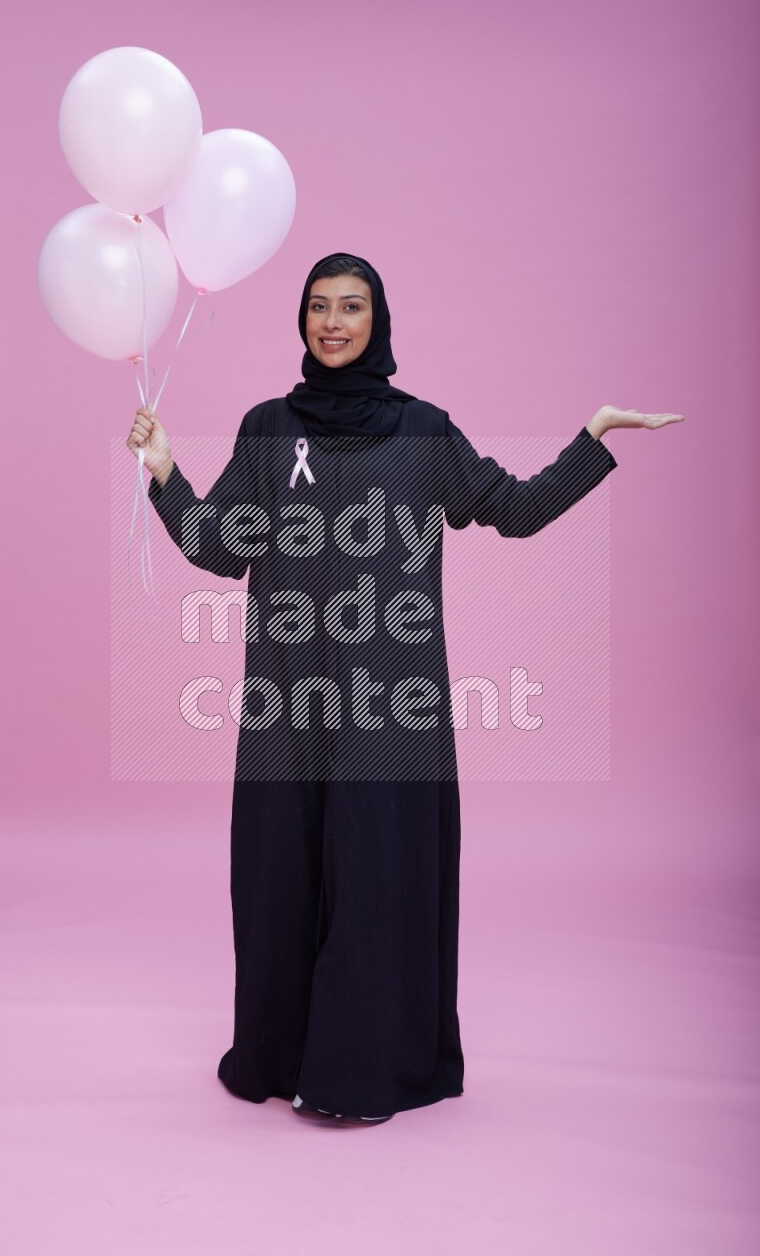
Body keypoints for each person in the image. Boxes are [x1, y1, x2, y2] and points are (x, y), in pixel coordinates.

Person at [127, 252, 683, 1127]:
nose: (333, 322)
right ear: (302, 319)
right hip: (287, 704)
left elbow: (514, 509)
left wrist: (593, 439)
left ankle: (359, 1074)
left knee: (375, 877)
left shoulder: (423, 433)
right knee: (280, 877)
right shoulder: (268, 428)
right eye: (319, 306)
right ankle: (280, 1056)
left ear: (378, 320)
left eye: (351, 306)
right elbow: (221, 545)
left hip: (392, 708)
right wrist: (165, 471)